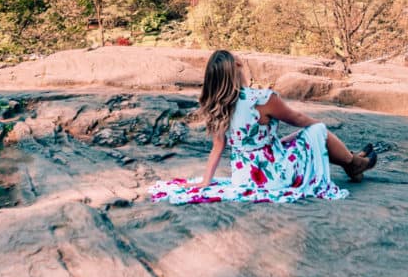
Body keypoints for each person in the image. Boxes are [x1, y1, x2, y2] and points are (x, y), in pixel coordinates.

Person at [150, 49, 377, 205]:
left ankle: (352, 160)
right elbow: (296, 118)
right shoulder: (260, 99)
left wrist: (206, 182)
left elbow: (217, 147)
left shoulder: (218, 105)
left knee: (298, 137)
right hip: (275, 175)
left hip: (246, 177)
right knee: (317, 130)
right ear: (238, 66)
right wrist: (321, 135)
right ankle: (353, 163)